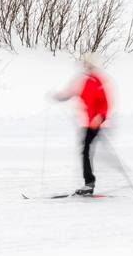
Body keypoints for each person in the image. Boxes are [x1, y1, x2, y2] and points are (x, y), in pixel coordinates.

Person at [53, 53, 109, 195]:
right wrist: (61, 97)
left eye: (89, 64)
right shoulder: (83, 80)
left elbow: (105, 104)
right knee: (85, 151)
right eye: (85, 64)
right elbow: (73, 92)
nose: (86, 66)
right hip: (87, 123)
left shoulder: (97, 81)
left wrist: (100, 117)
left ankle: (89, 184)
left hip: (96, 123)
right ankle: (89, 183)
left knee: (85, 151)